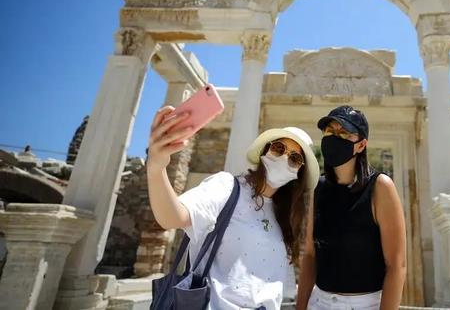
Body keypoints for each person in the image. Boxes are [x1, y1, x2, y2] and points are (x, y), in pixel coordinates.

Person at [146, 106, 320, 310]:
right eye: (279, 148)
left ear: (299, 172)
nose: (284, 158)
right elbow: (172, 217)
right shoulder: (226, 186)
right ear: (266, 150)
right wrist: (156, 167)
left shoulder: (284, 218)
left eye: (295, 158)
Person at [297, 105, 407, 310]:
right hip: (319, 303)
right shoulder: (318, 188)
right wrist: (300, 306)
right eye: (330, 131)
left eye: (344, 133)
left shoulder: (380, 187)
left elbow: (396, 265)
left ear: (361, 145)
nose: (334, 137)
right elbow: (311, 254)